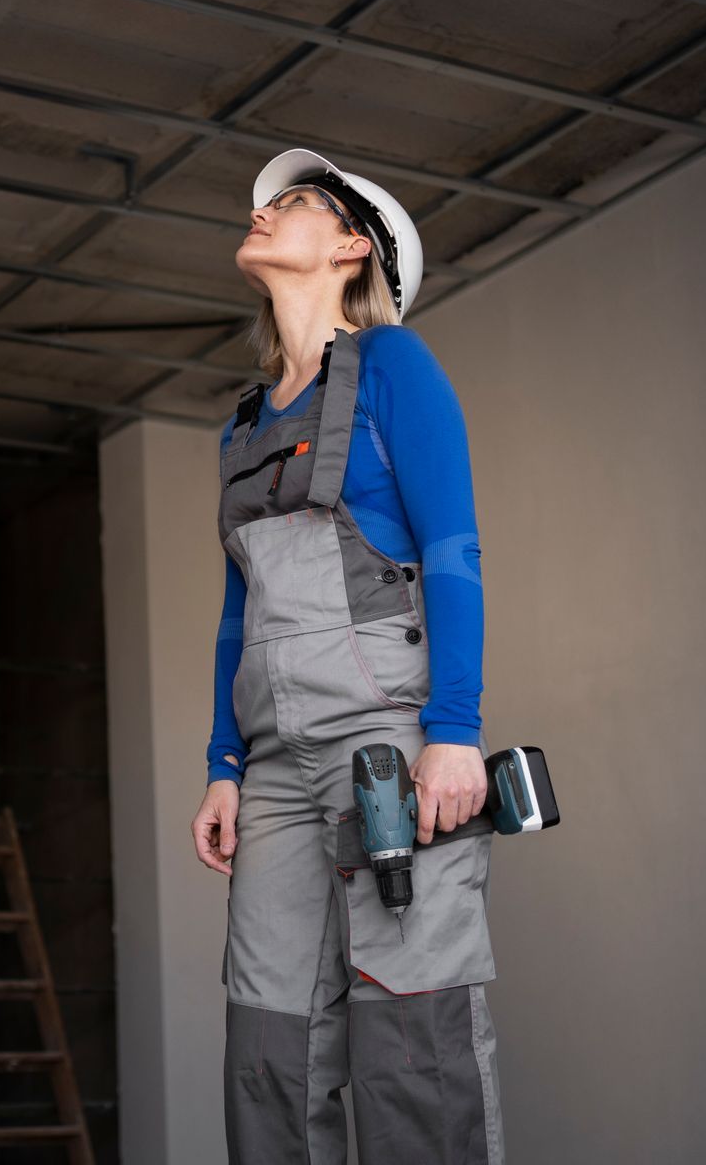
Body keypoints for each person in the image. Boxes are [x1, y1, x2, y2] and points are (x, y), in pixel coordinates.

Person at [189, 148, 503, 1163]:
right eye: (264, 202)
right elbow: (239, 609)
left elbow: (453, 547)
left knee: (415, 1040)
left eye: (295, 203)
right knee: (270, 1042)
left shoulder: (395, 367)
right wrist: (222, 765)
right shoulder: (243, 426)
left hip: (385, 749)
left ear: (351, 243)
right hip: (275, 770)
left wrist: (454, 732)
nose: (267, 211)